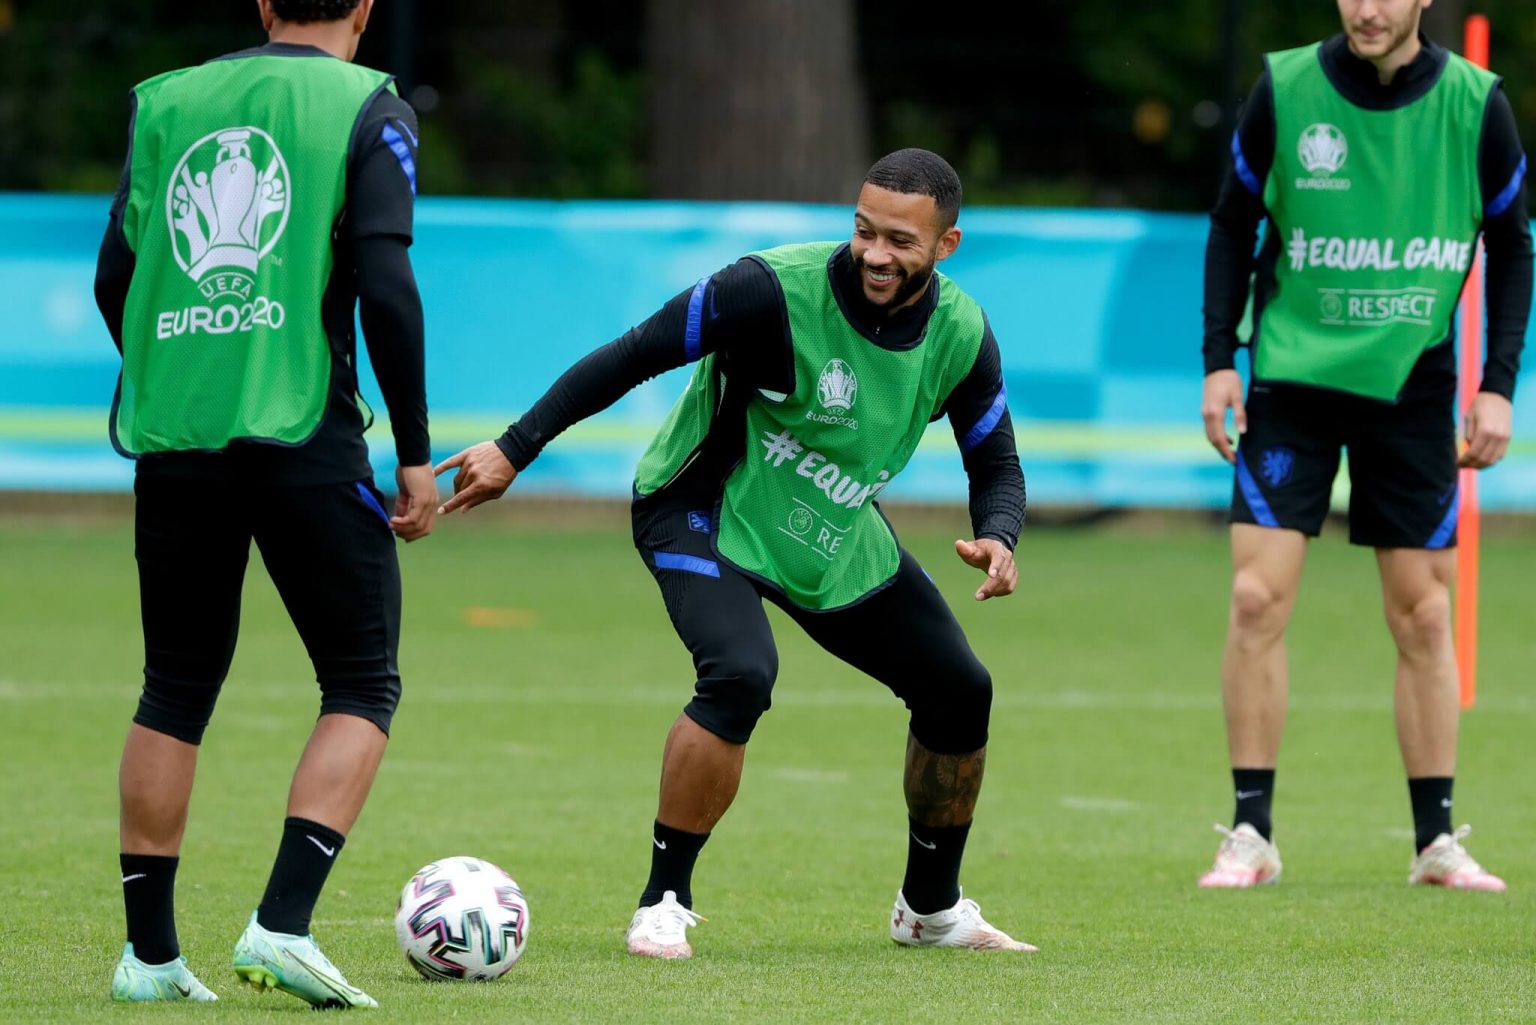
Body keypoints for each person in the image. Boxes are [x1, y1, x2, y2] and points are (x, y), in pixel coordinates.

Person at [437, 148, 1033, 956]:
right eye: (864, 231)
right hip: (701, 509)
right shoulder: (767, 289)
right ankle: (663, 898)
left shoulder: (961, 332)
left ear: (946, 245)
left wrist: (999, 532)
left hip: (830, 531)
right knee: (741, 674)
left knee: (961, 691)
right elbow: (633, 352)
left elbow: (995, 459)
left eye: (900, 240)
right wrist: (515, 447)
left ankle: (930, 909)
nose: (875, 254)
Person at [93, 0, 434, 1006]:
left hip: (178, 435)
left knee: (174, 687)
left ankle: (149, 957)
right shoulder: (371, 104)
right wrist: (415, 454)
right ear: (364, 8)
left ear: (263, 1)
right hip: (303, 431)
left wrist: (189, 366)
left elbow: (117, 275)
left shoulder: (166, 101)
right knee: (361, 680)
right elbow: (387, 283)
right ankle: (282, 923)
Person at [1199, 0, 1529, 890]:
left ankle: (1435, 841)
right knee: (1255, 599)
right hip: (1291, 382)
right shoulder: (1285, 89)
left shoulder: (1476, 104)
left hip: (1412, 388)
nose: (1369, 8)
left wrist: (1497, 384)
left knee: (1423, 614)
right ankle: (1250, 831)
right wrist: (1219, 359)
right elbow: (1231, 223)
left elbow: (1512, 244)